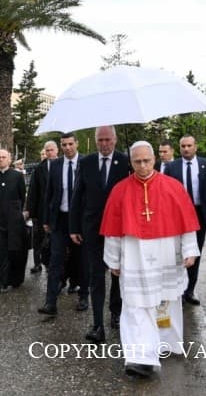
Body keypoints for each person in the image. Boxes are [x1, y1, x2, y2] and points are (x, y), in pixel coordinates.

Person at [101, 141, 200, 378]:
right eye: (137, 161)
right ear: (131, 162)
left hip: (167, 254)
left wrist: (189, 250)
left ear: (154, 159)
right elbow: (113, 230)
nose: (143, 166)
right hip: (134, 256)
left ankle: (165, 343)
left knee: (166, 302)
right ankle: (140, 357)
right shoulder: (120, 190)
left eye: (147, 160)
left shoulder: (173, 187)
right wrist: (113, 260)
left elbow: (187, 223)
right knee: (135, 305)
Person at [70, 125, 131, 343]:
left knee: (117, 272)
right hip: (92, 228)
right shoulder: (86, 162)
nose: (104, 144)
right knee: (95, 275)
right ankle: (97, 324)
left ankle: (116, 312)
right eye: (100, 140)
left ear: (115, 139)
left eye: (107, 140)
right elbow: (77, 195)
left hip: (119, 228)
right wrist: (74, 227)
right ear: (96, 141)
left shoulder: (126, 162)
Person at [37, 134, 86, 315]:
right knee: (55, 260)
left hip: (80, 221)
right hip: (60, 220)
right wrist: (46, 220)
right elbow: (49, 194)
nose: (67, 148)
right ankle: (50, 302)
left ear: (77, 144)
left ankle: (84, 296)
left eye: (70, 144)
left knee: (81, 259)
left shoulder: (85, 162)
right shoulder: (56, 165)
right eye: (64, 145)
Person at [164, 135, 206, 305]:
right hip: (177, 214)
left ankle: (190, 290)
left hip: (199, 213)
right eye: (183, 146)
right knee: (178, 252)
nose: (186, 149)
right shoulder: (171, 167)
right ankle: (178, 288)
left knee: (195, 252)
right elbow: (165, 192)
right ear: (179, 148)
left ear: (195, 146)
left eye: (189, 145)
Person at [0, 149, 26, 296]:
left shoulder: (17, 176)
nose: (1, 159)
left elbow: (22, 196)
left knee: (13, 248)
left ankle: (13, 279)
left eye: (3, 157)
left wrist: (18, 213)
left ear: (9, 160)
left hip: (13, 217)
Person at [26, 140, 58, 274]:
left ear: (57, 150)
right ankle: (37, 263)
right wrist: (30, 211)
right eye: (47, 150)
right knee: (38, 237)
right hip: (41, 209)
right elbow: (33, 191)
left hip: (57, 209)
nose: (49, 153)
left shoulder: (63, 165)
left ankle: (53, 264)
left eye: (52, 150)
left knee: (55, 238)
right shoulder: (39, 169)